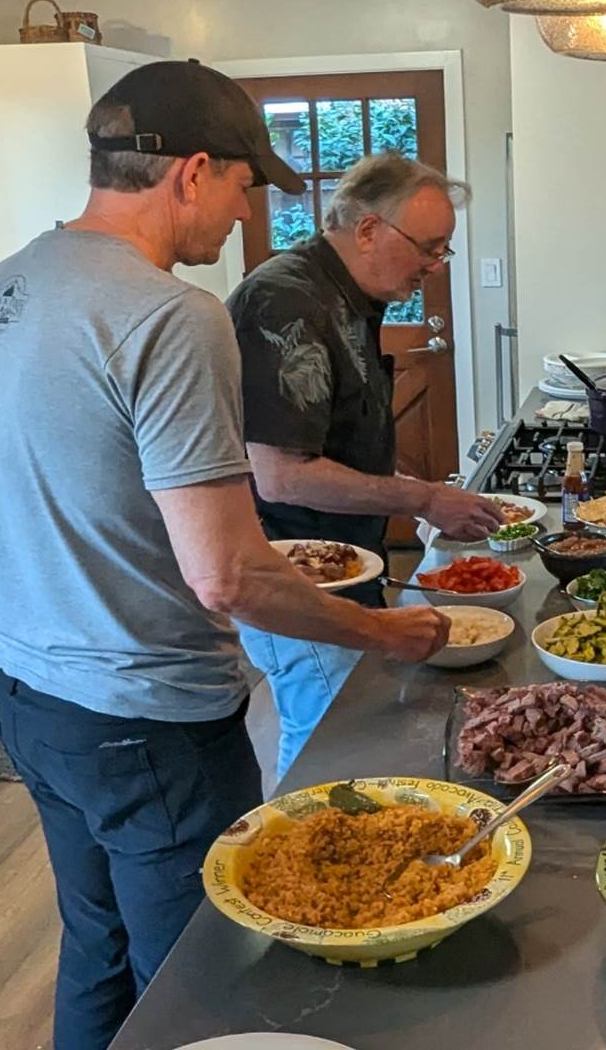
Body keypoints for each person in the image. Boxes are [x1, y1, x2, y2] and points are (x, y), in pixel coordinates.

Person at [0, 61, 449, 1050]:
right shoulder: (171, 314)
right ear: (194, 171)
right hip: (152, 724)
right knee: (206, 987)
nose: (246, 213)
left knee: (98, 952)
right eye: (247, 185)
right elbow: (228, 574)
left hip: (30, 705)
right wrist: (379, 629)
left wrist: (77, 564)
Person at [225, 153, 502, 779]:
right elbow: (282, 475)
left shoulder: (345, 295)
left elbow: (338, 446)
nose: (435, 266)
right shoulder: (283, 301)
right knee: (331, 738)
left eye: (443, 251)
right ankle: (304, 866)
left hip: (341, 563)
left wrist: (413, 491)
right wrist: (424, 500)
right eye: (428, 248)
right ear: (369, 229)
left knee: (350, 725)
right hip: (293, 571)